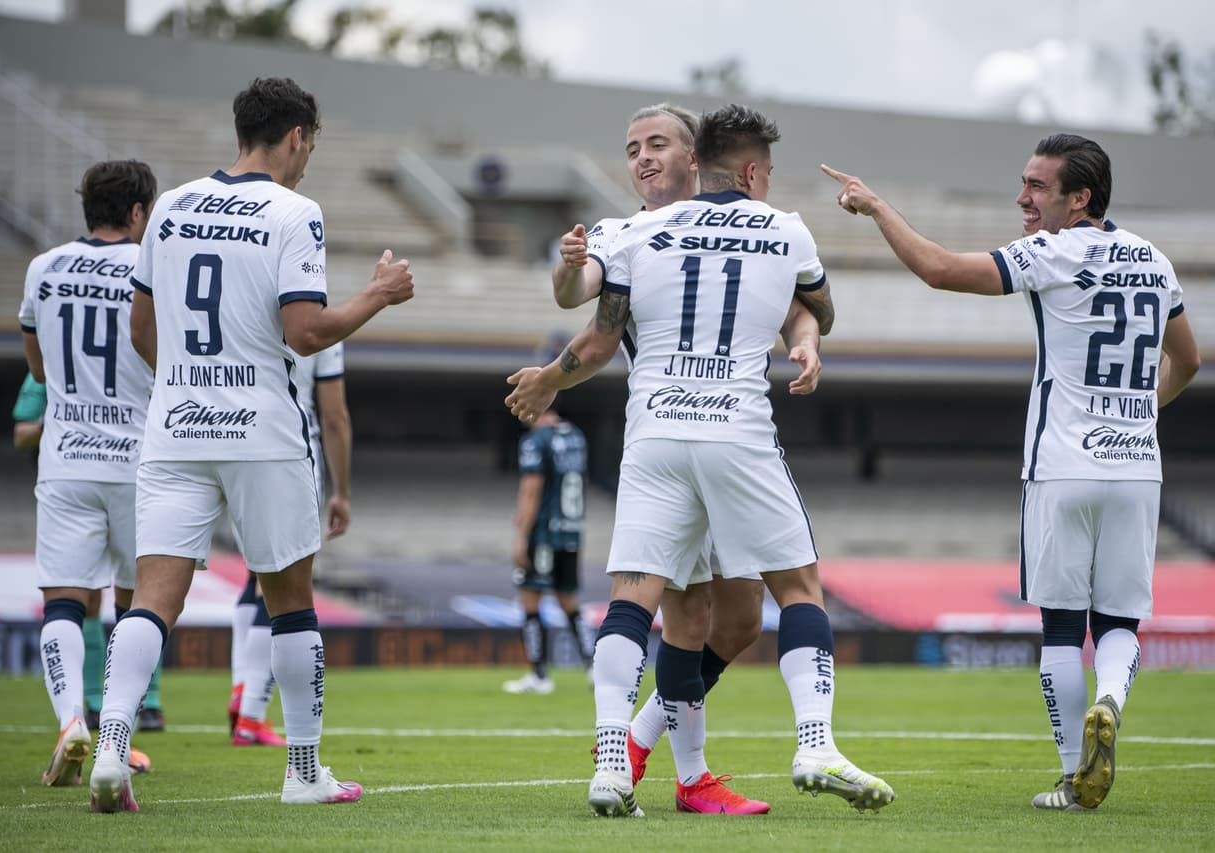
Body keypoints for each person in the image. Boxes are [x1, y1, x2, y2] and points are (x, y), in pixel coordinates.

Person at [508, 104, 893, 818]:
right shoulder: (777, 228)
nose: (643, 158)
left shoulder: (631, 235)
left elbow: (590, 322)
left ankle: (614, 754)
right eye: (632, 148)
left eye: (657, 144)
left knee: (695, 609)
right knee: (776, 593)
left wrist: (550, 369)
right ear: (752, 170)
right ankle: (790, 747)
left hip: (654, 436)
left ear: (696, 158)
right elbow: (815, 305)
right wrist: (810, 336)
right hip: (734, 433)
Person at [822, 132, 1200, 811]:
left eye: (1037, 186)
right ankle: (1109, 700)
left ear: (1079, 198)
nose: (1022, 197)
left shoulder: (1050, 253)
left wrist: (879, 209)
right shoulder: (1154, 259)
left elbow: (938, 269)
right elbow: (1190, 361)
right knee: (1119, 623)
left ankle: (1071, 777)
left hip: (1063, 467)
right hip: (1139, 468)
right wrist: (1140, 409)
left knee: (1060, 626)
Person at [90, 77, 414, 812]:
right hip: (262, 429)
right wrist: (378, 294)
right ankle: (303, 772)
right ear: (297, 137)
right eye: (310, 147)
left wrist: (184, 381)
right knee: (291, 603)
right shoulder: (294, 211)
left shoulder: (169, 204)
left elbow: (141, 329)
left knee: (151, 600)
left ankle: (111, 745)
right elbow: (306, 332)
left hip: (176, 425)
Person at [17, 160, 159, 787]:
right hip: (138, 458)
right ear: (136, 213)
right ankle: (116, 740)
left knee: (63, 602)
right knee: (135, 605)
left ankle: (70, 721)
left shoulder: (43, 267)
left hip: (66, 455)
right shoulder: (148, 269)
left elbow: (39, 366)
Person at [229, 341, 351, 746]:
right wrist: (343, 492)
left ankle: (240, 690)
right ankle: (251, 715)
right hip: (292, 449)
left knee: (255, 574)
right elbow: (334, 416)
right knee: (283, 585)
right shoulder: (319, 314)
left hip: (234, 440)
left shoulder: (244, 294)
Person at [502, 401, 594, 694]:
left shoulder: (535, 440)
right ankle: (593, 666)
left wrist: (520, 536)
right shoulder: (576, 436)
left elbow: (531, 490)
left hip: (543, 534)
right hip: (571, 531)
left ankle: (539, 675)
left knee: (530, 598)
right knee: (568, 600)